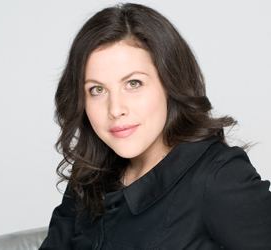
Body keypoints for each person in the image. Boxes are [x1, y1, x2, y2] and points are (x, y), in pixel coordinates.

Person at [39, 3, 271, 249]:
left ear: (170, 83)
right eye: (97, 90)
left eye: (134, 83)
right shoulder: (89, 171)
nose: (115, 109)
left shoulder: (219, 177)